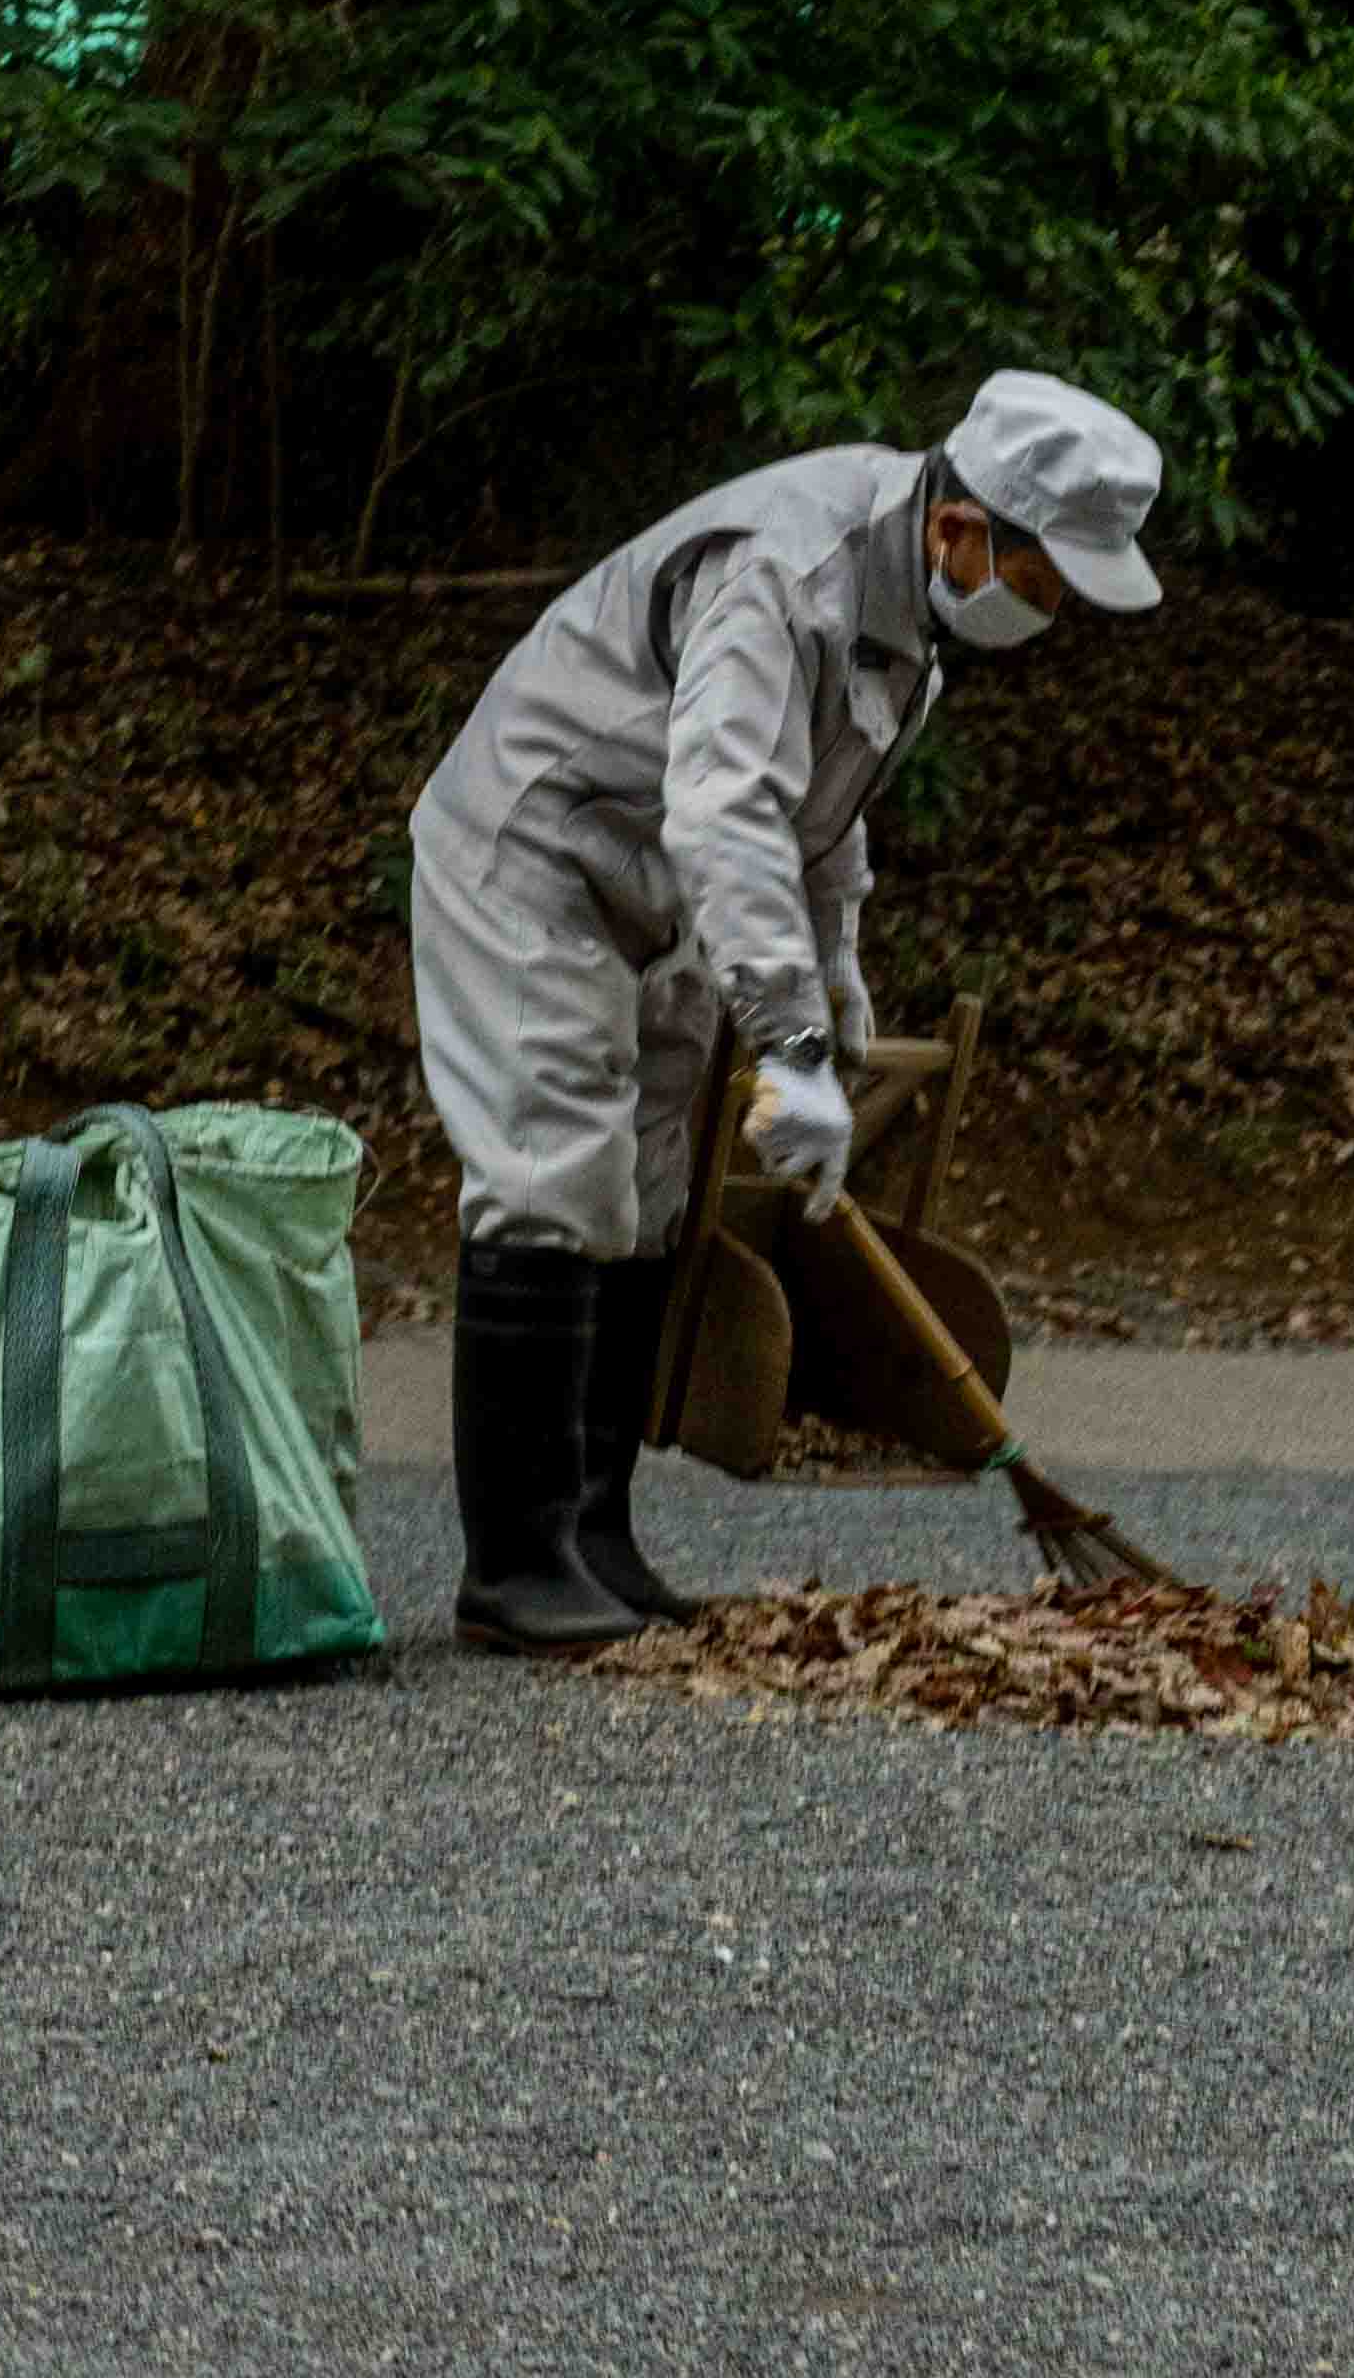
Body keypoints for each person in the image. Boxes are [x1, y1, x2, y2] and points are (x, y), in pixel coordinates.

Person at [408, 368, 1166, 1651]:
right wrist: (793, 1048)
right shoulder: (793, 572)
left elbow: (825, 822)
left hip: (667, 880)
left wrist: (837, 980)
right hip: (540, 846)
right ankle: (514, 1567)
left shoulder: (912, 617)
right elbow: (728, 808)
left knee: (648, 1194)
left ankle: (597, 1537)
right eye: (1042, 582)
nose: (1045, 612)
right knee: (554, 1175)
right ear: (963, 528)